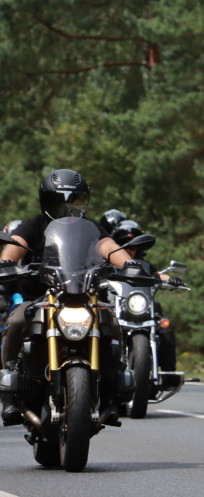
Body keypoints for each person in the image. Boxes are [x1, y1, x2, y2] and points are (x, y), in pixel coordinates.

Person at [0, 170, 135, 425]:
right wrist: (6, 262)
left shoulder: (92, 228)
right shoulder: (34, 225)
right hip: (40, 297)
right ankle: (10, 391)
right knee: (17, 321)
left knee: (112, 323)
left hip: (83, 295)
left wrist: (130, 264)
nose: (66, 206)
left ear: (83, 202)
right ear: (46, 202)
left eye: (74, 199)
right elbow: (15, 244)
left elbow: (109, 247)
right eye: (58, 200)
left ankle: (111, 391)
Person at [106, 217, 185, 372]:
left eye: (133, 248)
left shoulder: (144, 266)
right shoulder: (107, 265)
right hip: (113, 309)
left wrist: (173, 280)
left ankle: (168, 372)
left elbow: (158, 276)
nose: (129, 251)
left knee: (165, 326)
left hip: (140, 308)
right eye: (125, 246)